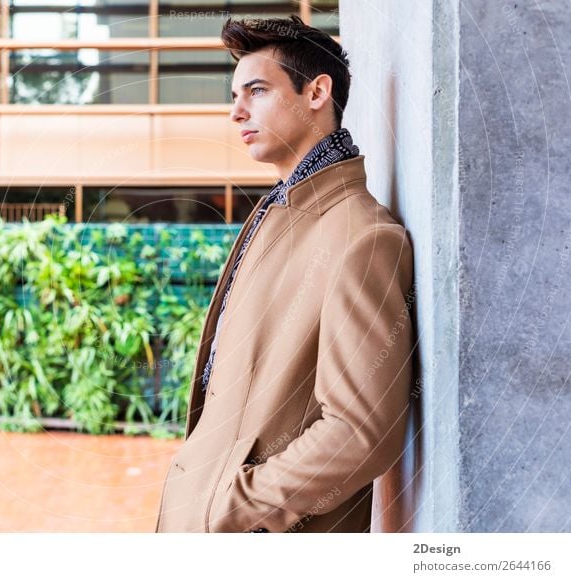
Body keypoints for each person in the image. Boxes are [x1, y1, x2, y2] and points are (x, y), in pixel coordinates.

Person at [154, 14, 416, 533]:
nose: (236, 112)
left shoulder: (363, 238)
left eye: (256, 91)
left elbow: (360, 429)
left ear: (316, 92)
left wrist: (232, 508)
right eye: (234, 95)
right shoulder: (277, 215)